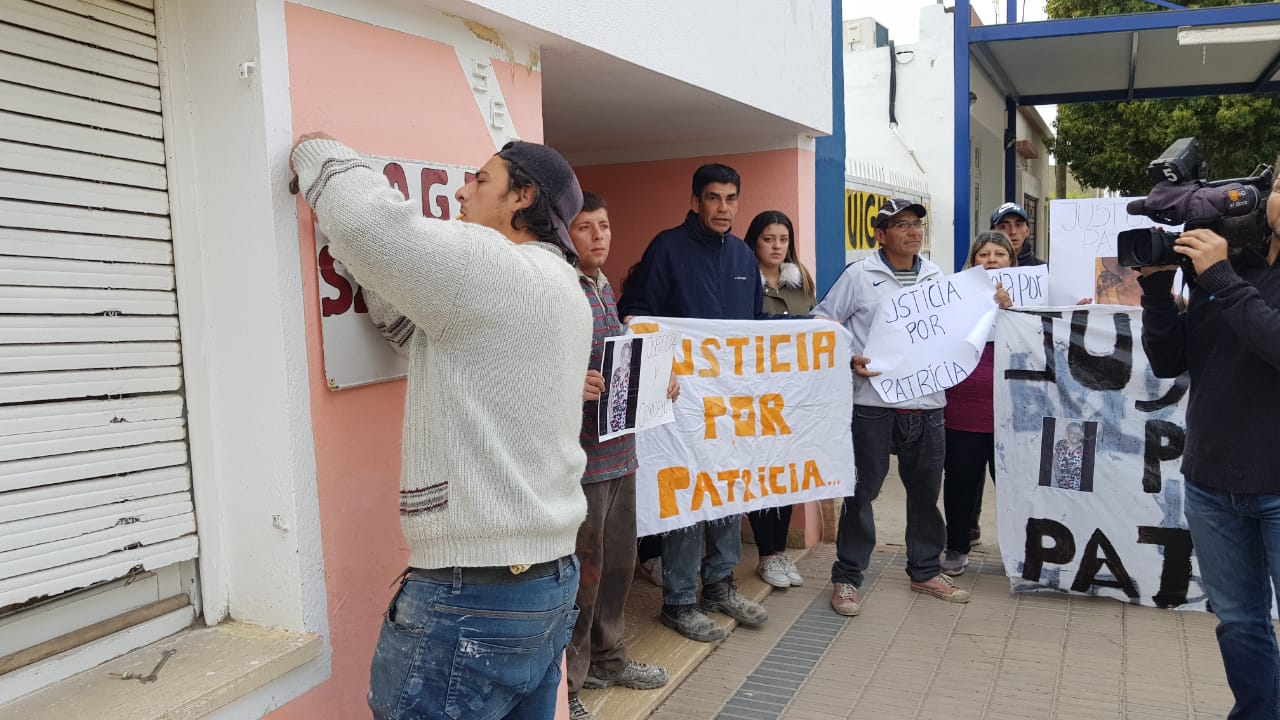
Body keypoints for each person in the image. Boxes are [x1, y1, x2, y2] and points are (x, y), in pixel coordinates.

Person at [291, 133, 591, 720]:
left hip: (475, 596)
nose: (462, 190)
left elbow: (375, 229)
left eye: (480, 180)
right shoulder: (561, 287)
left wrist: (317, 150)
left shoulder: (494, 265)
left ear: (521, 198)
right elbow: (414, 332)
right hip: (547, 584)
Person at [1139, 163, 1280, 718]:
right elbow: (1173, 360)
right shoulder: (1232, 267)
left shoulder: (1225, 274)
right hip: (1211, 482)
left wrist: (1219, 280)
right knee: (1240, 624)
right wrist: (1156, 292)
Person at [617, 163, 768, 643]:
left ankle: (719, 586)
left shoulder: (745, 256)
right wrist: (663, 375)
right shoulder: (667, 248)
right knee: (689, 497)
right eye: (714, 198)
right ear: (696, 201)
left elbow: (756, 327)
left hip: (729, 406)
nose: (723, 208)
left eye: (731, 199)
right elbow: (635, 316)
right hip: (680, 404)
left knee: (728, 491)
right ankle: (679, 601)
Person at [813, 198, 972, 616]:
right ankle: (847, 577)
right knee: (862, 493)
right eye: (901, 225)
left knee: (924, 494)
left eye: (917, 224)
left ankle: (924, 569)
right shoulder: (860, 276)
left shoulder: (938, 277)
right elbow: (821, 320)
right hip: (872, 406)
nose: (913, 231)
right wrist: (849, 356)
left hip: (927, 404)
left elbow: (957, 327)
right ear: (880, 235)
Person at [564, 192, 670, 720]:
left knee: (620, 567)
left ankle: (609, 657)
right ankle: (570, 686)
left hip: (622, 455)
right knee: (583, 576)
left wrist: (656, 383)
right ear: (566, 233)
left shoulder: (605, 287)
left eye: (604, 225)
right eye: (586, 227)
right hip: (581, 465)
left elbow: (620, 362)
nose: (599, 236)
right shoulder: (561, 289)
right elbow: (534, 366)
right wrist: (566, 381)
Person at [742, 210, 816, 588]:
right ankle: (766, 554)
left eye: (783, 239)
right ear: (755, 240)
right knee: (759, 474)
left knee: (786, 476)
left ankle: (781, 552)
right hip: (754, 396)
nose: (776, 246)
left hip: (794, 395)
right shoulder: (741, 280)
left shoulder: (800, 280)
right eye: (769, 238)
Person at [940, 231, 1015, 577]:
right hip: (963, 412)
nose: (991, 260)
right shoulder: (952, 301)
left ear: (1012, 262)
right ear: (971, 263)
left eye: (1000, 254)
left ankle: (1022, 552)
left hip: (1012, 416)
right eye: (983, 254)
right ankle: (956, 546)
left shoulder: (1029, 303)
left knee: (1015, 487)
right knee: (960, 483)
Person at [991, 202, 1043, 267]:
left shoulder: (1046, 272)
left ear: (1027, 231)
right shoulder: (981, 271)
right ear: (992, 233)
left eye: (1018, 225)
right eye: (1004, 226)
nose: (1013, 232)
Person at [1052, 422, 1085, 491]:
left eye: (1078, 433)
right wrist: (1058, 475)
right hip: (1062, 482)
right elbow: (1055, 460)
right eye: (1073, 432)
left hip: (1078, 485)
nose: (1076, 435)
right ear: (1067, 433)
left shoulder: (1084, 447)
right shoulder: (1060, 444)